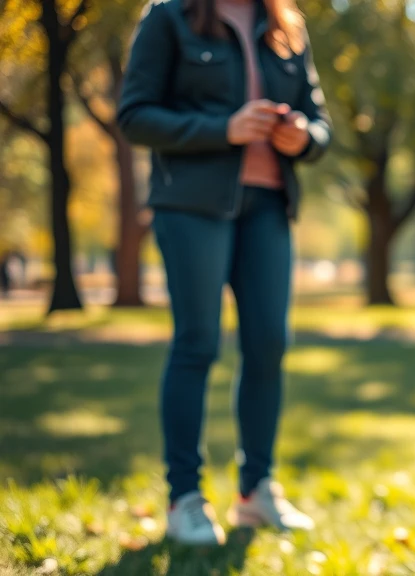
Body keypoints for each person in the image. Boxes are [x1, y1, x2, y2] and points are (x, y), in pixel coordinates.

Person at [117, 0, 331, 546]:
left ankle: (256, 491)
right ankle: (184, 498)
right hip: (191, 207)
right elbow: (135, 114)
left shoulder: (286, 24)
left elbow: (319, 123)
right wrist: (224, 128)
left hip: (268, 206)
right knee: (198, 343)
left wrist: (302, 137)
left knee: (267, 345)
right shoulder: (169, 17)